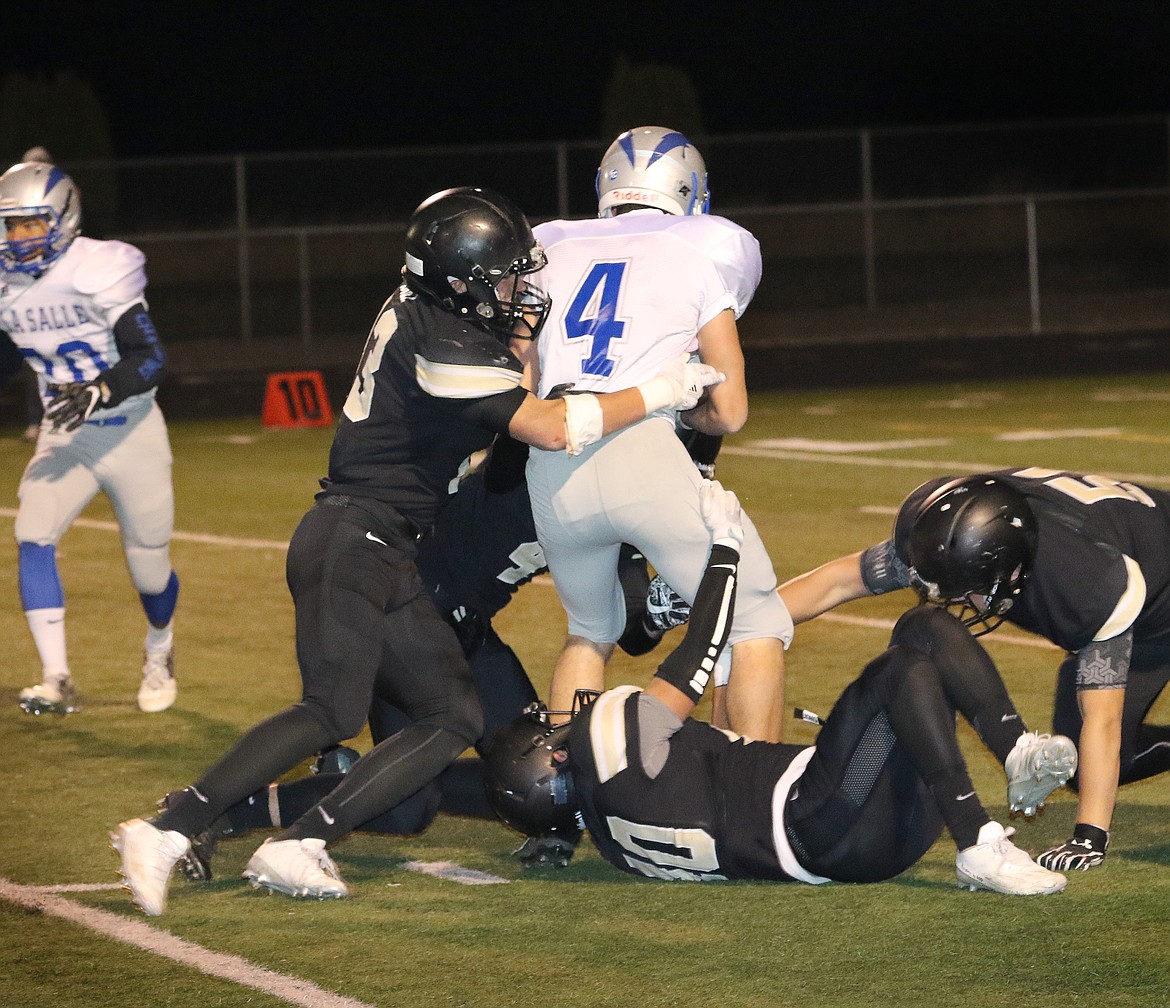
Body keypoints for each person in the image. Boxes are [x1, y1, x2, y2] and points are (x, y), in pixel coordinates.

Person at [111, 186, 723, 916]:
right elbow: (555, 427)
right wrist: (658, 389)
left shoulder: (430, 314)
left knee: (453, 717)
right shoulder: (446, 344)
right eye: (501, 279)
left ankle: (297, 843)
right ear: (457, 282)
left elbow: (622, 616)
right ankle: (172, 823)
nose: (517, 292)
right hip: (357, 535)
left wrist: (657, 599)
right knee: (330, 711)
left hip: (390, 549)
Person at [486, 481, 1077, 895]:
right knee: (907, 658)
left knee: (917, 641)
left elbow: (708, 759)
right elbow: (701, 649)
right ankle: (977, 841)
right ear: (555, 754)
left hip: (862, 843)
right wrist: (723, 549)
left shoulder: (617, 847)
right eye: (548, 728)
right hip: (823, 814)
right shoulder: (605, 746)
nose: (559, 719)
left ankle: (1016, 753)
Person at [525, 125, 791, 742]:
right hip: (641, 450)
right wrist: (682, 413)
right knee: (755, 620)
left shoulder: (549, 246)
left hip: (556, 455)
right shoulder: (704, 250)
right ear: (690, 191)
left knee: (590, 632)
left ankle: (568, 799)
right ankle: (754, 796)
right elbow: (730, 410)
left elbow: (527, 382)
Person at [778, 469, 1170, 873]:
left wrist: (1090, 837)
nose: (958, 599)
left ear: (1015, 571)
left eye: (970, 590)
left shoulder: (1083, 583)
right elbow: (837, 582)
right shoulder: (963, 535)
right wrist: (750, 622)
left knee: (1096, 759)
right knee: (1083, 769)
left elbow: (1103, 718)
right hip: (1122, 548)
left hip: (1156, 594)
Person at [0, 158, 180, 716]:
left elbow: (150, 358)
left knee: (149, 566)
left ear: (64, 217)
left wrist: (101, 389)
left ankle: (160, 648)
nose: (20, 238)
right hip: (66, 433)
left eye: (32, 224)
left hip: (130, 428)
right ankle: (56, 678)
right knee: (33, 532)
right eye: (11, 225)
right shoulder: (6, 282)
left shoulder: (101, 265)